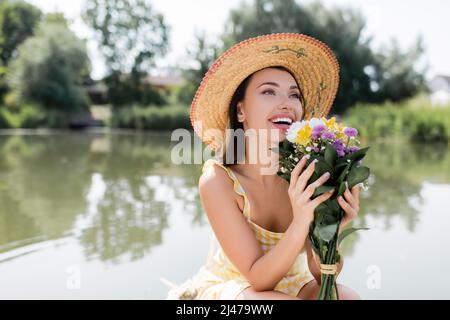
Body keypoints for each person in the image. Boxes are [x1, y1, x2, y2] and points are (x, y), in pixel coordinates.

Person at [161, 33, 361, 300]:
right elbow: (258, 278)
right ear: (241, 111)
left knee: (348, 298)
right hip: (237, 286)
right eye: (268, 91)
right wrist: (302, 220)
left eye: (294, 95)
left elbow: (322, 275)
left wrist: (331, 229)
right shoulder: (219, 180)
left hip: (293, 281)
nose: (286, 103)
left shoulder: (305, 172)